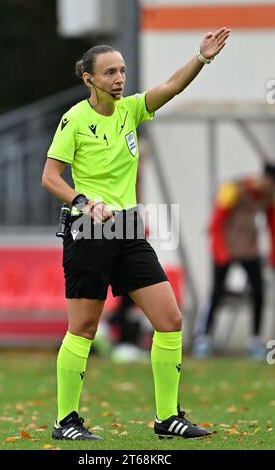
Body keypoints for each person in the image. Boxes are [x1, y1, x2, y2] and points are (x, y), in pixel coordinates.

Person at [42, 28, 230, 441]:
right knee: (84, 328)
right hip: (87, 228)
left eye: (122, 71)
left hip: (127, 228)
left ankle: (167, 418)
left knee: (170, 319)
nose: (119, 79)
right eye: (109, 72)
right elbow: (50, 176)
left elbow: (172, 86)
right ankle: (66, 421)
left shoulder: (131, 110)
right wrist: (84, 202)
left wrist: (202, 57)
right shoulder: (74, 119)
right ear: (88, 78)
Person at [192, 164, 275, 360]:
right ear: (263, 179)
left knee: (259, 292)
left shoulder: (268, 196)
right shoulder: (234, 189)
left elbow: (272, 225)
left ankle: (255, 340)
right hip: (226, 248)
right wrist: (221, 251)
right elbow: (215, 223)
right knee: (217, 292)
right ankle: (203, 338)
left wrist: (272, 255)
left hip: (248, 249)